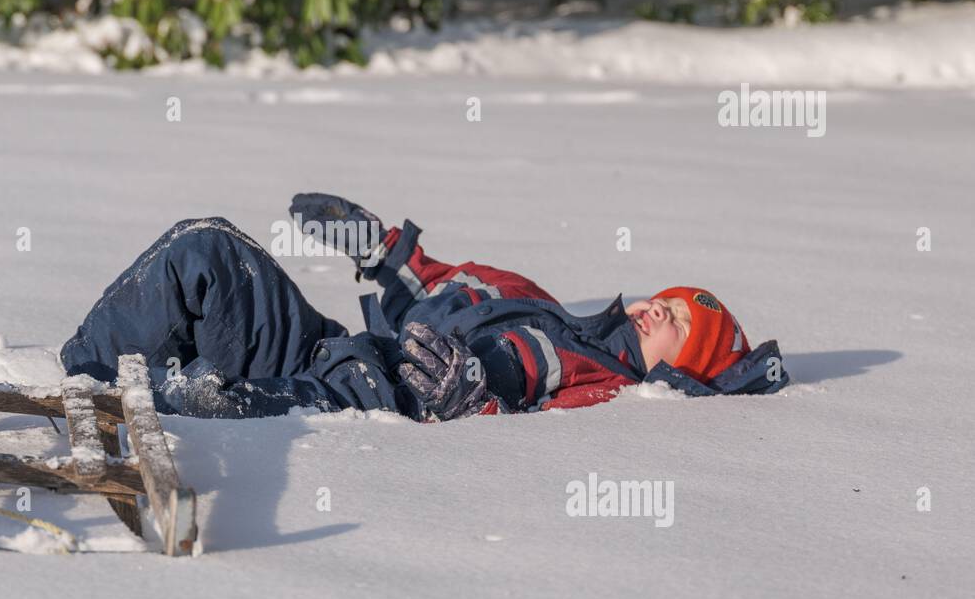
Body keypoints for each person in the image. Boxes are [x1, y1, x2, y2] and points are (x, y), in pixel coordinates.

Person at [60, 194, 788, 420]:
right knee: (207, 249)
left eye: (683, 326)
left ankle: (180, 400)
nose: (663, 310)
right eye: (671, 300)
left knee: (231, 400)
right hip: (331, 346)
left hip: (365, 395)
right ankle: (83, 376)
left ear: (681, 374)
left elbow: (539, 438)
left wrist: (472, 399)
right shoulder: (535, 302)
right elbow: (437, 281)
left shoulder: (605, 383)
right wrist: (374, 244)